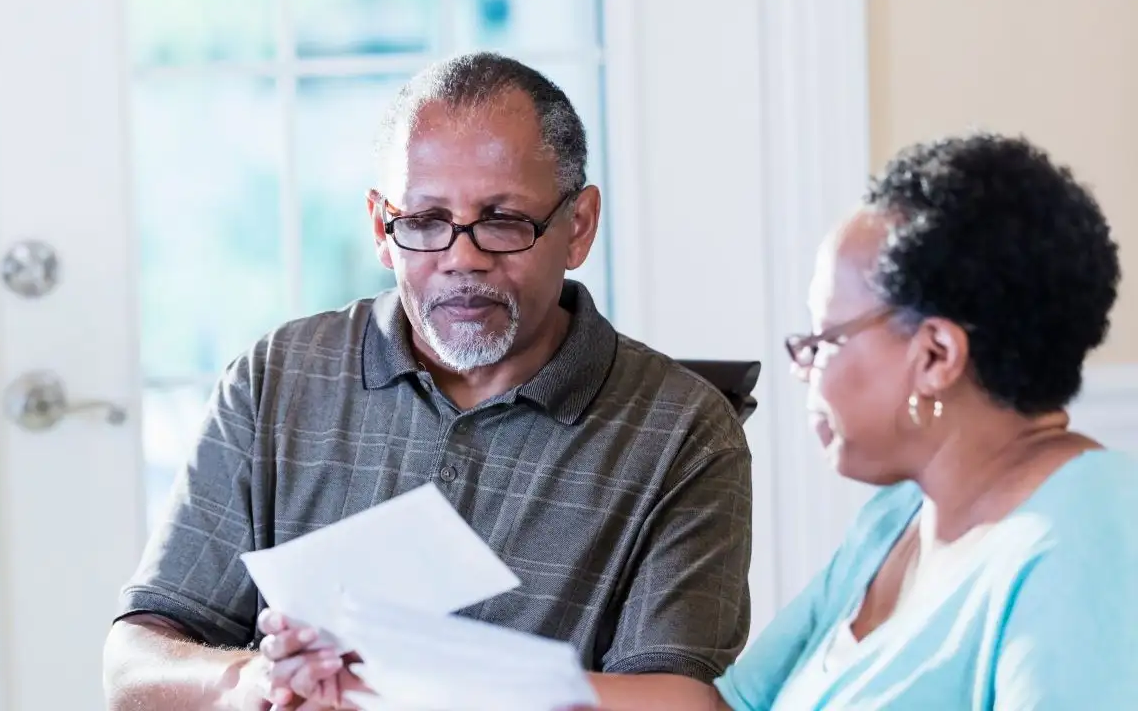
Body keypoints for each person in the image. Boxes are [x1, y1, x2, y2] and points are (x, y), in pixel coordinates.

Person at [102, 51, 754, 711]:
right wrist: (250, 684)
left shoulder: (683, 430)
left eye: (503, 221)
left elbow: (677, 701)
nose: (461, 257)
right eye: (423, 222)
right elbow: (132, 667)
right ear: (382, 229)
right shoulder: (276, 379)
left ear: (577, 227)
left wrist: (420, 685)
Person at [580, 131, 1138, 710]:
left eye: (823, 340)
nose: (803, 368)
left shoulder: (1086, 538)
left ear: (936, 356)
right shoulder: (895, 520)